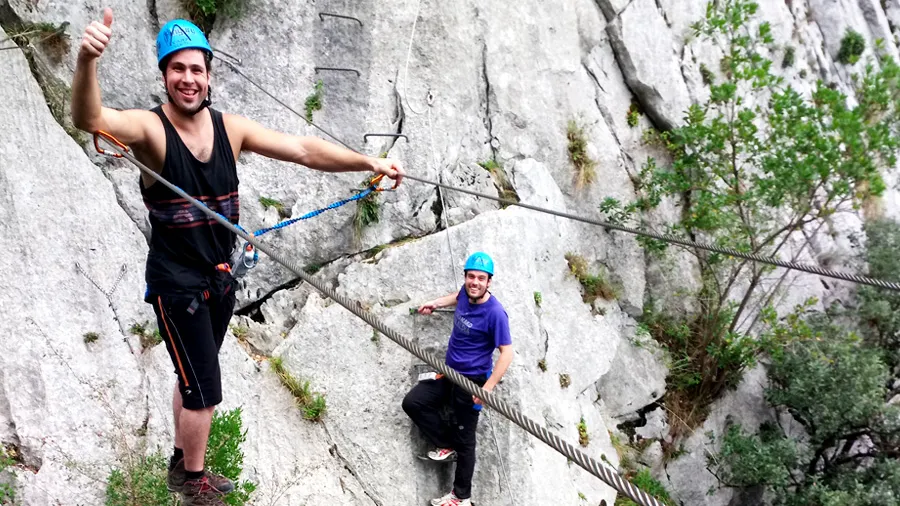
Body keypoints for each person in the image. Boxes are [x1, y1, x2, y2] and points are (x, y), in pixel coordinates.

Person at [71, 10, 404, 506]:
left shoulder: (231, 131)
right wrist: (87, 61)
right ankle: (193, 482)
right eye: (177, 69)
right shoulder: (150, 130)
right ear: (164, 75)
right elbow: (90, 119)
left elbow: (303, 150)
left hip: (219, 278)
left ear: (209, 74)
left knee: (191, 379)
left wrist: (369, 161)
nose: (188, 78)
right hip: (177, 283)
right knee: (205, 389)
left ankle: (181, 460)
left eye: (196, 69)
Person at [402, 252, 514, 506]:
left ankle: (461, 497)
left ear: (489, 282)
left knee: (467, 441)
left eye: (481, 278)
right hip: (449, 373)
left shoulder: (495, 313)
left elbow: (507, 354)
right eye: (471, 276)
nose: (475, 282)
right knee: (414, 402)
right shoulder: (465, 293)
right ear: (466, 278)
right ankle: (445, 443)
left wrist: (487, 388)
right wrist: (434, 303)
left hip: (471, 381)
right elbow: (454, 297)